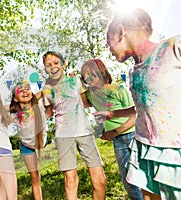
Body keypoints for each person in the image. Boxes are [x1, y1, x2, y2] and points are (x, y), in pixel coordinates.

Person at [94, 8, 181, 199]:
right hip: (145, 149)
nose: (108, 49)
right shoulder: (134, 72)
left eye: (108, 42)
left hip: (174, 151)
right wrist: (113, 114)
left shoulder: (173, 47)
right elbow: (144, 107)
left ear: (121, 32)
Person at [41, 51, 106, 200]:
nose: (53, 67)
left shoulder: (75, 80)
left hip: (84, 132)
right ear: (45, 69)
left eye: (56, 63)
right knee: (70, 180)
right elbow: (48, 112)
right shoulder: (46, 88)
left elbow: (85, 102)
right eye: (48, 65)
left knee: (100, 179)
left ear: (63, 64)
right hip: (64, 136)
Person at [80, 58, 143, 200]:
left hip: (134, 135)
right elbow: (80, 101)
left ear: (101, 72)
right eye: (85, 75)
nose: (88, 77)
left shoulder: (118, 89)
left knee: (141, 174)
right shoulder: (91, 94)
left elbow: (135, 115)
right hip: (118, 142)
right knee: (128, 178)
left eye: (91, 72)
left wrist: (113, 132)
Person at [9, 81, 46, 200]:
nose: (25, 91)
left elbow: (48, 87)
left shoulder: (39, 104)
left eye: (27, 89)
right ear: (15, 98)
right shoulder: (15, 114)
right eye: (20, 90)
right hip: (26, 146)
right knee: (35, 177)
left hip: (41, 141)